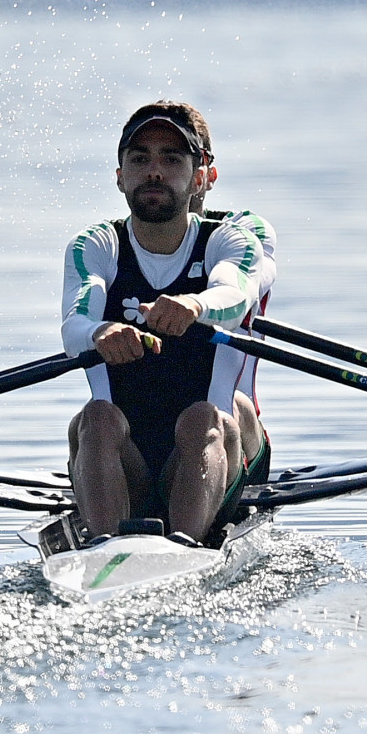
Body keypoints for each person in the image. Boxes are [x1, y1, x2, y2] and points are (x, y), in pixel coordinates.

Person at [60, 101, 274, 547]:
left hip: (215, 446)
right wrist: (99, 333)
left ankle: (182, 550)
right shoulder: (96, 245)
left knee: (204, 416)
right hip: (126, 454)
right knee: (94, 417)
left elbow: (235, 296)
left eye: (171, 159)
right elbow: (75, 323)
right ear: (119, 176)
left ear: (199, 178)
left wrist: (195, 307)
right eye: (140, 159)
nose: (154, 171)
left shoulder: (231, 240)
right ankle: (105, 553)